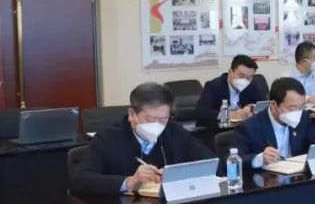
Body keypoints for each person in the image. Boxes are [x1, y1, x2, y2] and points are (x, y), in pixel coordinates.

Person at [71, 83, 215, 197]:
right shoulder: (107, 139)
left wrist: (176, 174)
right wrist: (129, 182)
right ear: (132, 114)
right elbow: (80, 180)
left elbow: (212, 163)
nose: (157, 125)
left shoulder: (174, 132)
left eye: (163, 119)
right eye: (150, 119)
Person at [234, 77, 315, 168]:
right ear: (273, 105)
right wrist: (259, 159)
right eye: (292, 108)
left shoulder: (303, 117)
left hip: (297, 172)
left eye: (301, 107)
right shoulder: (250, 127)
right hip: (267, 175)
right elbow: (233, 161)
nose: (297, 113)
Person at [195, 55, 267, 127]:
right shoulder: (213, 86)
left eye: (248, 78)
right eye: (241, 76)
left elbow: (264, 105)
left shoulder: (252, 85)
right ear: (230, 72)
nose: (244, 80)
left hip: (242, 128)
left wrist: (252, 108)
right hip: (216, 130)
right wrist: (228, 114)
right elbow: (201, 112)